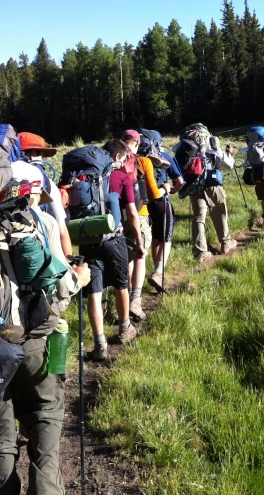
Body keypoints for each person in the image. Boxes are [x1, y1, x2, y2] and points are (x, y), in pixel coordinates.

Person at [0, 161, 90, 495]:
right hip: (32, 341)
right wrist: (81, 278)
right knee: (44, 413)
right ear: (29, 189)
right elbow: (55, 289)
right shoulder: (38, 221)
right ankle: (46, 487)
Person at [80, 140, 141, 360]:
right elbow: (132, 214)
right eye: (124, 159)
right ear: (116, 157)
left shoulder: (83, 177)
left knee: (94, 292)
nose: (125, 163)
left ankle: (99, 344)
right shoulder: (121, 178)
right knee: (121, 284)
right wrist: (139, 242)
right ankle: (125, 328)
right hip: (114, 239)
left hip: (87, 238)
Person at [121, 130, 170, 317]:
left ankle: (124, 297)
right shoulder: (143, 162)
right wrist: (165, 189)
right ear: (137, 143)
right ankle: (136, 299)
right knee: (140, 255)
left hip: (119, 216)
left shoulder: (114, 160)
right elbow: (154, 193)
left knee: (127, 257)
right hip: (139, 214)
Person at [18, 132, 73, 258]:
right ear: (33, 154)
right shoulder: (46, 183)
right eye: (41, 154)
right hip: (37, 250)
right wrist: (71, 262)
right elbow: (62, 231)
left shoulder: (3, 177)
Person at [190, 133, 237, 262]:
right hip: (212, 183)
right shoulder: (212, 143)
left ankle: (202, 251)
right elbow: (228, 165)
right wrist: (229, 154)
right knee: (219, 211)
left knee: (199, 217)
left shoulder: (188, 146)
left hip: (194, 185)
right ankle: (225, 242)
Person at [145, 143, 184, 292]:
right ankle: (158, 271)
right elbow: (179, 181)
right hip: (161, 201)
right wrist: (172, 190)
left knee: (155, 236)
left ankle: (156, 271)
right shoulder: (164, 157)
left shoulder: (137, 158)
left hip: (141, 203)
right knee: (165, 237)